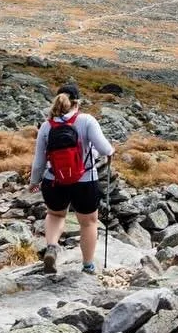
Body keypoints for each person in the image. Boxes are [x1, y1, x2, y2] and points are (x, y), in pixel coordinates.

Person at [29, 81, 115, 274]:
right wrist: (111, 151)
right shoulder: (87, 120)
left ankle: (51, 247)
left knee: (55, 214)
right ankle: (87, 265)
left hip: (54, 180)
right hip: (84, 180)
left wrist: (34, 182)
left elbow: (39, 161)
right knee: (88, 222)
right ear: (77, 103)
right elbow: (105, 149)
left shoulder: (46, 126)